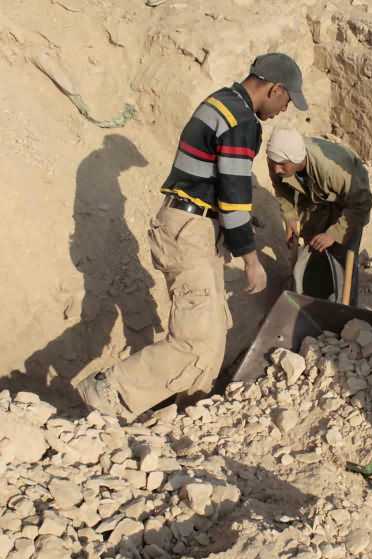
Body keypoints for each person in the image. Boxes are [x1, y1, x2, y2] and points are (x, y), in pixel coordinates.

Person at [77, 53, 308, 420]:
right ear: (274, 88)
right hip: (190, 229)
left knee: (213, 336)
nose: (284, 109)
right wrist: (250, 258)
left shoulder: (220, 101)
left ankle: (188, 416)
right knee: (196, 338)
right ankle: (110, 389)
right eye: (286, 100)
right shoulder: (241, 120)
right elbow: (233, 192)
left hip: (189, 226)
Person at [267, 128, 372, 304]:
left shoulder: (333, 169)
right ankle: (313, 301)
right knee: (313, 246)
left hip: (349, 201)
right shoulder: (277, 159)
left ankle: (344, 310)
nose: (276, 169)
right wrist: (291, 218)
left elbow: (361, 204)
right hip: (316, 198)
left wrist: (334, 234)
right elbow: (281, 190)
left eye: (282, 164)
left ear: (296, 159)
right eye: (273, 163)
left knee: (343, 258)